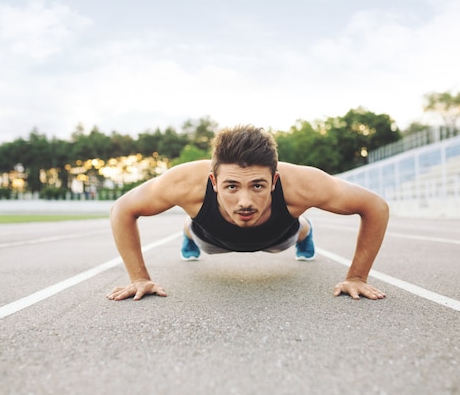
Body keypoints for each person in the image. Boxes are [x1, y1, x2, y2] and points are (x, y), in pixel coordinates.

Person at [106, 125, 389, 301]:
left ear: (275, 181)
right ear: (213, 182)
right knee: (194, 231)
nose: (245, 201)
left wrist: (357, 277)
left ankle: (306, 231)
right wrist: (139, 278)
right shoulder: (185, 182)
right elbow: (123, 209)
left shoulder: (302, 184)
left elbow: (375, 206)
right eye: (231, 186)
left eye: (257, 186)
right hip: (212, 239)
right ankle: (189, 234)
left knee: (295, 231)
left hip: (278, 237)